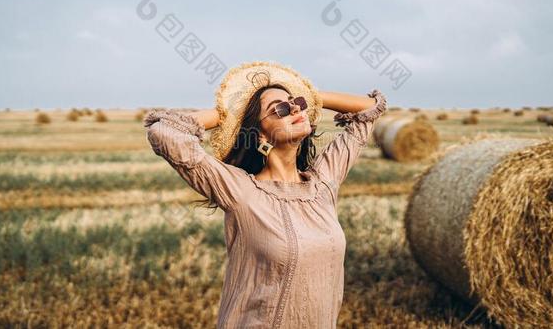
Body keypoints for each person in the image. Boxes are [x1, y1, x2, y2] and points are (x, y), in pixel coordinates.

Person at [143, 61, 387, 328]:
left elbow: (368, 110)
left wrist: (310, 96)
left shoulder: (322, 184)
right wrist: (228, 115)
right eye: (279, 109)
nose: (295, 108)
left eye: (298, 103)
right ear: (260, 135)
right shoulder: (241, 191)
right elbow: (164, 132)